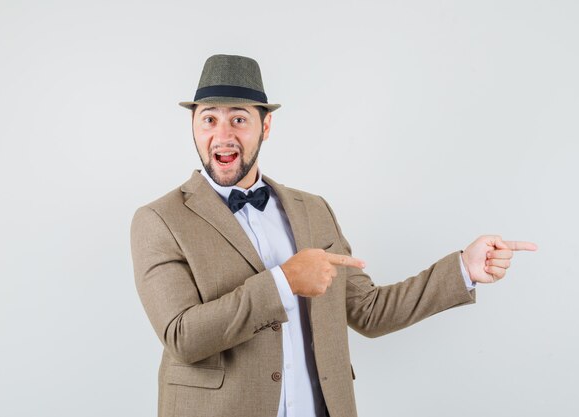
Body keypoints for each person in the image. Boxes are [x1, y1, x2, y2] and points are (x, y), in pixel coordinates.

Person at [130, 54, 537, 417]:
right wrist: (284, 282)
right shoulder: (159, 219)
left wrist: (463, 268)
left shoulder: (314, 210)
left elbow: (368, 311)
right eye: (209, 119)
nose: (223, 135)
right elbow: (182, 336)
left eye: (239, 118)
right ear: (193, 124)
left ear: (265, 125)